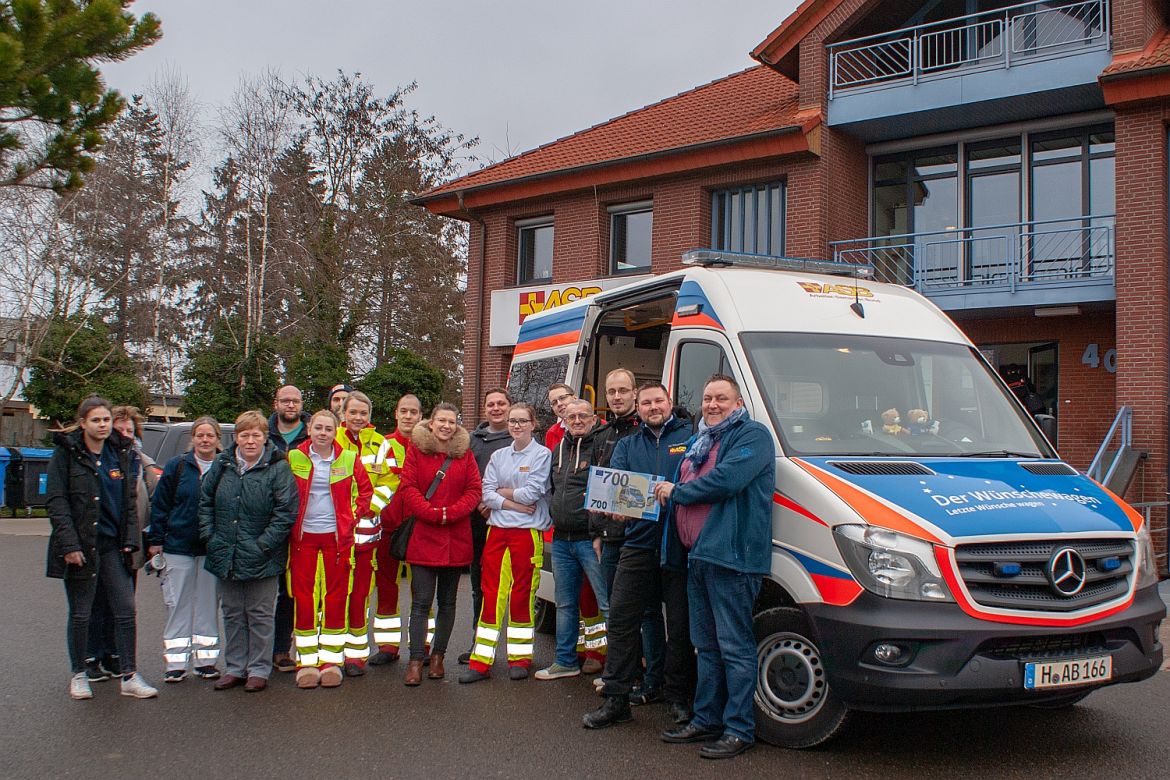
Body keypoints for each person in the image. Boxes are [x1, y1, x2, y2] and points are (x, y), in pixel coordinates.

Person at [655, 375, 774, 759]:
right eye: (707, 398)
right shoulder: (699, 440)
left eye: (721, 398)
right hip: (699, 557)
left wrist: (678, 493)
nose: (712, 404)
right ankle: (707, 719)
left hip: (732, 558)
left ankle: (739, 729)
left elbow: (727, 481)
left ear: (738, 403)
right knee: (705, 646)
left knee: (735, 647)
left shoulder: (751, 436)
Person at [583, 382, 694, 728]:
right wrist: (616, 511)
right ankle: (616, 698)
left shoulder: (690, 438)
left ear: (669, 402)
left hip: (679, 545)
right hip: (638, 543)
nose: (652, 407)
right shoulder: (628, 444)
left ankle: (677, 697)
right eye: (646, 402)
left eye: (658, 400)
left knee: (679, 627)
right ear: (639, 407)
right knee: (621, 621)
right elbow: (616, 491)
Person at [46, 396, 157, 700]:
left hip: (113, 546)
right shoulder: (66, 454)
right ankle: (79, 674)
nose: (102, 425)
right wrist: (69, 544)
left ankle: (130, 675)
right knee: (81, 613)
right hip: (80, 547)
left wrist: (131, 542)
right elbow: (57, 502)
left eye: (106, 420)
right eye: (96, 420)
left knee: (125, 609)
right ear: (83, 423)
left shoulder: (120, 452)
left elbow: (129, 503)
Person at [200, 410, 298, 693]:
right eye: (245, 435)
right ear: (236, 437)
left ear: (265, 437)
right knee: (232, 612)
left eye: (256, 435)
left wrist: (264, 544)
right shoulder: (223, 463)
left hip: (262, 554)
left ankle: (258, 669)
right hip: (225, 551)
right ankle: (234, 668)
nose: (250, 440)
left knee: (260, 614)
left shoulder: (278, 466)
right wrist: (210, 537)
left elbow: (285, 511)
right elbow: (205, 501)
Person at [460, 402, 551, 683]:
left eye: (523, 421)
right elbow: (486, 494)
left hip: (527, 534)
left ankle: (520, 659)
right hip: (497, 533)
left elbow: (533, 493)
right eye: (513, 421)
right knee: (491, 594)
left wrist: (504, 496)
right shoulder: (499, 455)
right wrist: (510, 500)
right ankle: (480, 661)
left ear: (533, 424)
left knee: (523, 596)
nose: (516, 425)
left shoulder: (542, 454)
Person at [397, 402, 482, 686]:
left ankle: (438, 658)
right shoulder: (416, 451)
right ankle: (415, 660)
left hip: (456, 539)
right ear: (431, 423)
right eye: (441, 420)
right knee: (420, 603)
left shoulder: (464, 454)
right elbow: (407, 487)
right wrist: (431, 513)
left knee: (447, 603)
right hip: (424, 535)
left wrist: (450, 513)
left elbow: (474, 490)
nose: (447, 425)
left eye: (452, 421)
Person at [287, 410, 374, 689]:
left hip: (338, 539)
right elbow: (282, 493)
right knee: (304, 597)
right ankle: (306, 662)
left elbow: (366, 492)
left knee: (337, 597)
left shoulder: (349, 458)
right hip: (303, 538)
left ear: (336, 431)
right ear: (309, 429)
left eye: (328, 429)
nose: (323, 433)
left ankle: (331, 661)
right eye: (318, 428)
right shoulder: (294, 457)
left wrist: (351, 516)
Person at [535, 398, 610, 681]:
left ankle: (615, 669)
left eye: (583, 416)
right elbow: (552, 489)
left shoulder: (603, 448)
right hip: (562, 540)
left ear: (593, 419)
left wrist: (598, 532)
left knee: (607, 604)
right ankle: (565, 662)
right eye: (571, 416)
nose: (577, 421)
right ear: (563, 420)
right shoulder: (558, 450)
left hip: (589, 540)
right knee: (565, 604)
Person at [85, 405, 160, 682]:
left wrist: (152, 540)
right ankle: (93, 655)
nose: (125, 434)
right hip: (102, 540)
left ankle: (116, 655)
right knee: (96, 602)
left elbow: (153, 500)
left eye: (130, 430)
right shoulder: (101, 461)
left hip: (132, 542)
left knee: (123, 603)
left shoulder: (142, 461)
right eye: (120, 429)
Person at [147, 416, 223, 682]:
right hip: (177, 546)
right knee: (177, 603)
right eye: (200, 435)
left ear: (217, 439)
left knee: (207, 604)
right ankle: (176, 663)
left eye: (210, 435)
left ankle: (206, 661)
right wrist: (156, 541)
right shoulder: (177, 466)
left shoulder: (225, 467)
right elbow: (160, 505)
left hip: (211, 549)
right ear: (193, 438)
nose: (204, 440)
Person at [336, 390, 397, 675]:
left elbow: (390, 480)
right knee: (333, 596)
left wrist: (368, 507)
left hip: (366, 536)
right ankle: (331, 654)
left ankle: (355, 657)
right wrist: (345, 511)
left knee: (360, 595)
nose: (358, 417)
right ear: (342, 413)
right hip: (334, 535)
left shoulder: (381, 444)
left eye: (363, 413)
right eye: (353, 412)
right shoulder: (331, 440)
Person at [367, 393, 426, 665]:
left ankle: (422, 645)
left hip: (419, 528)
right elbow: (371, 482)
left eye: (413, 412)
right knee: (386, 588)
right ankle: (388, 647)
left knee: (422, 591)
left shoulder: (428, 444)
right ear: (395, 413)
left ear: (420, 416)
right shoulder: (383, 444)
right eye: (404, 411)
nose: (408, 416)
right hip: (388, 528)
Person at [458, 387, 514, 665]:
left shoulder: (518, 439)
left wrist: (492, 501)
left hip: (508, 520)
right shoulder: (471, 440)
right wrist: (477, 500)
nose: (496, 408)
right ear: (484, 408)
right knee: (480, 586)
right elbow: (464, 476)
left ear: (509, 406)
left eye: (501, 403)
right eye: (490, 404)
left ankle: (516, 650)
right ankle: (478, 643)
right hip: (476, 521)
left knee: (513, 587)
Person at [267, 385, 311, 673]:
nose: (291, 405)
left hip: (301, 525)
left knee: (291, 590)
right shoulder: (263, 434)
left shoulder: (311, 434)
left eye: (295, 400)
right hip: (267, 522)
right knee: (261, 591)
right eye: (286, 400)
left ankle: (282, 649)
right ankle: (260, 651)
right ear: (276, 404)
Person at [592, 368, 641, 596]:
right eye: (611, 391)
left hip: (638, 535)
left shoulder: (645, 431)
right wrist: (596, 533)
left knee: (644, 609)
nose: (617, 396)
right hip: (610, 536)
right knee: (611, 605)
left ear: (635, 393)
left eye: (623, 390)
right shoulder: (602, 434)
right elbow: (595, 484)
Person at [544, 383, 575, 450]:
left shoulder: (598, 425)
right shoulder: (552, 433)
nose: (559, 404)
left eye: (562, 398)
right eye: (554, 402)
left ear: (575, 398)